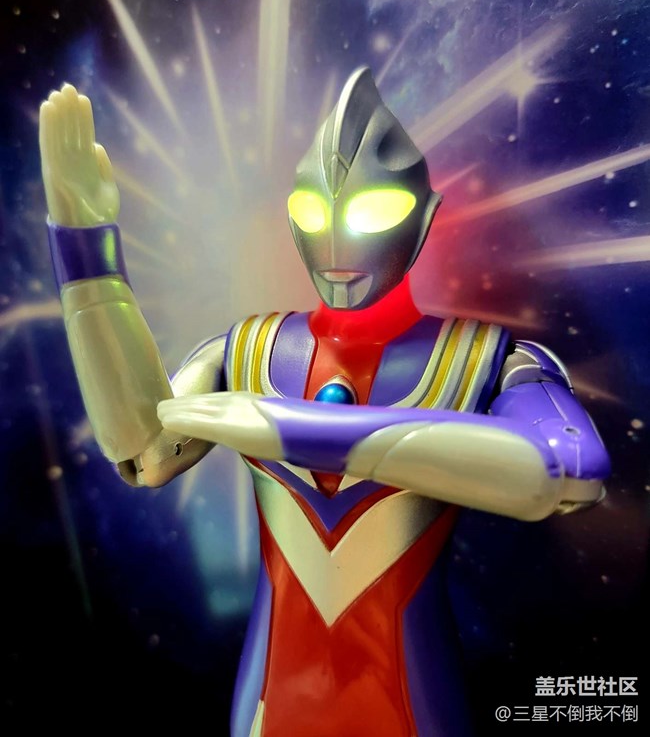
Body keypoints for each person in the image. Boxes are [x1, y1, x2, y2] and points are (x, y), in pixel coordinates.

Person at [41, 68, 610, 737]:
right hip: (270, 707)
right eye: (316, 213)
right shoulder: (248, 349)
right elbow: (142, 448)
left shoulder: (485, 359)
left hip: (412, 709)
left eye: (372, 212)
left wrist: (286, 428)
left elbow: (566, 471)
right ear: (292, 218)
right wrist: (87, 255)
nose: (338, 241)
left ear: (424, 218)